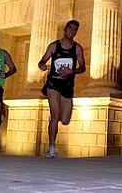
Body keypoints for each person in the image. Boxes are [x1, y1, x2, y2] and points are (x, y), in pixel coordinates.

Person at [37, 20, 86, 158]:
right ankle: (52, 147)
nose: (72, 31)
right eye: (70, 28)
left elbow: (83, 67)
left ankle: (54, 119)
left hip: (67, 85)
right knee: (56, 115)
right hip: (53, 84)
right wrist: (42, 65)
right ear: (65, 29)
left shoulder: (77, 48)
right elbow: (42, 61)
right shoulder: (54, 46)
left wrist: (71, 72)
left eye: (75, 30)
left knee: (64, 120)